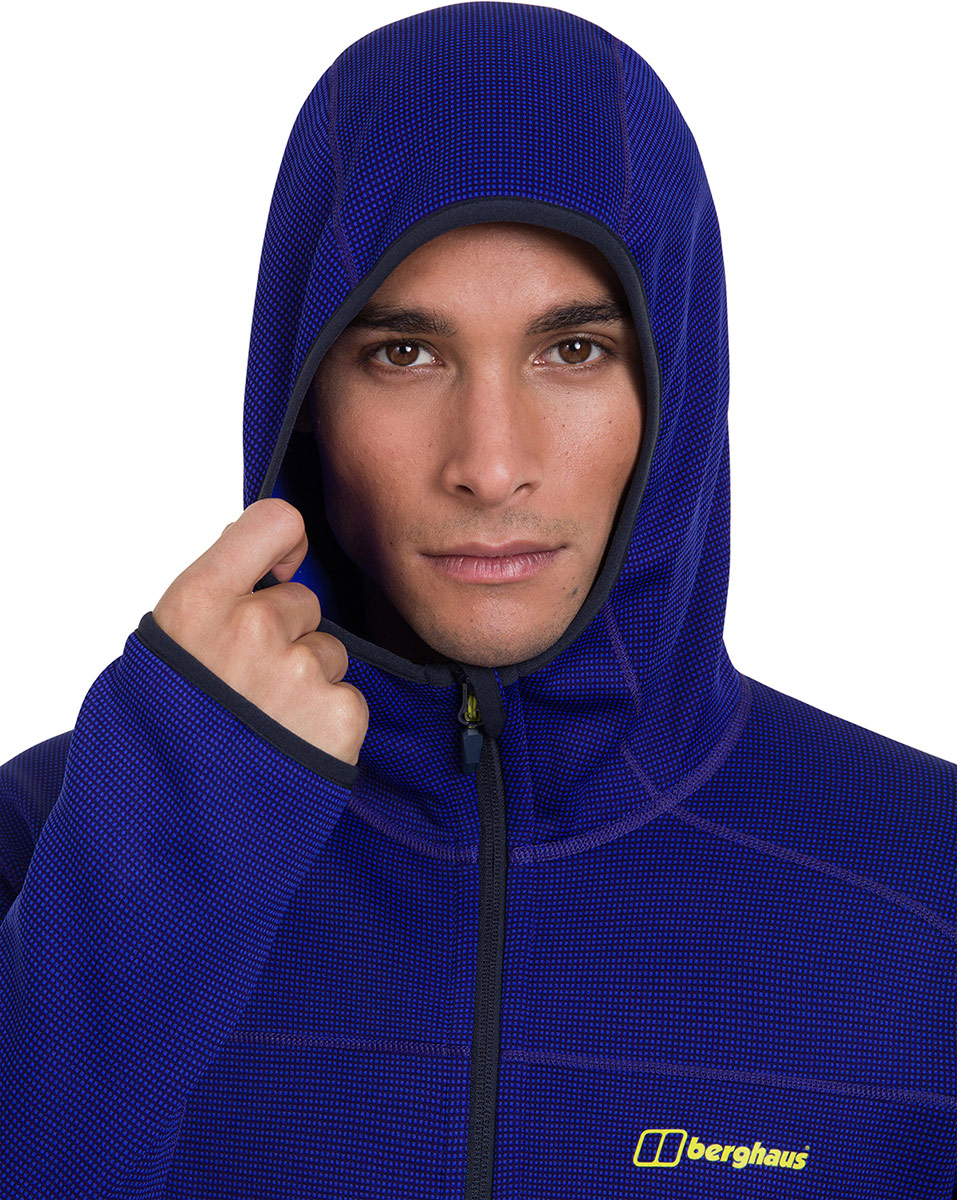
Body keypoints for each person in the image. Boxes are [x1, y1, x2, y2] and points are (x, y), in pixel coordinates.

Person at [2, 2, 955, 1196]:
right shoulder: (57, 837)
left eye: (574, 351)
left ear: (679, 379)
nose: (491, 464)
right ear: (304, 396)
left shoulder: (927, 883)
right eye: (405, 354)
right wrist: (170, 846)